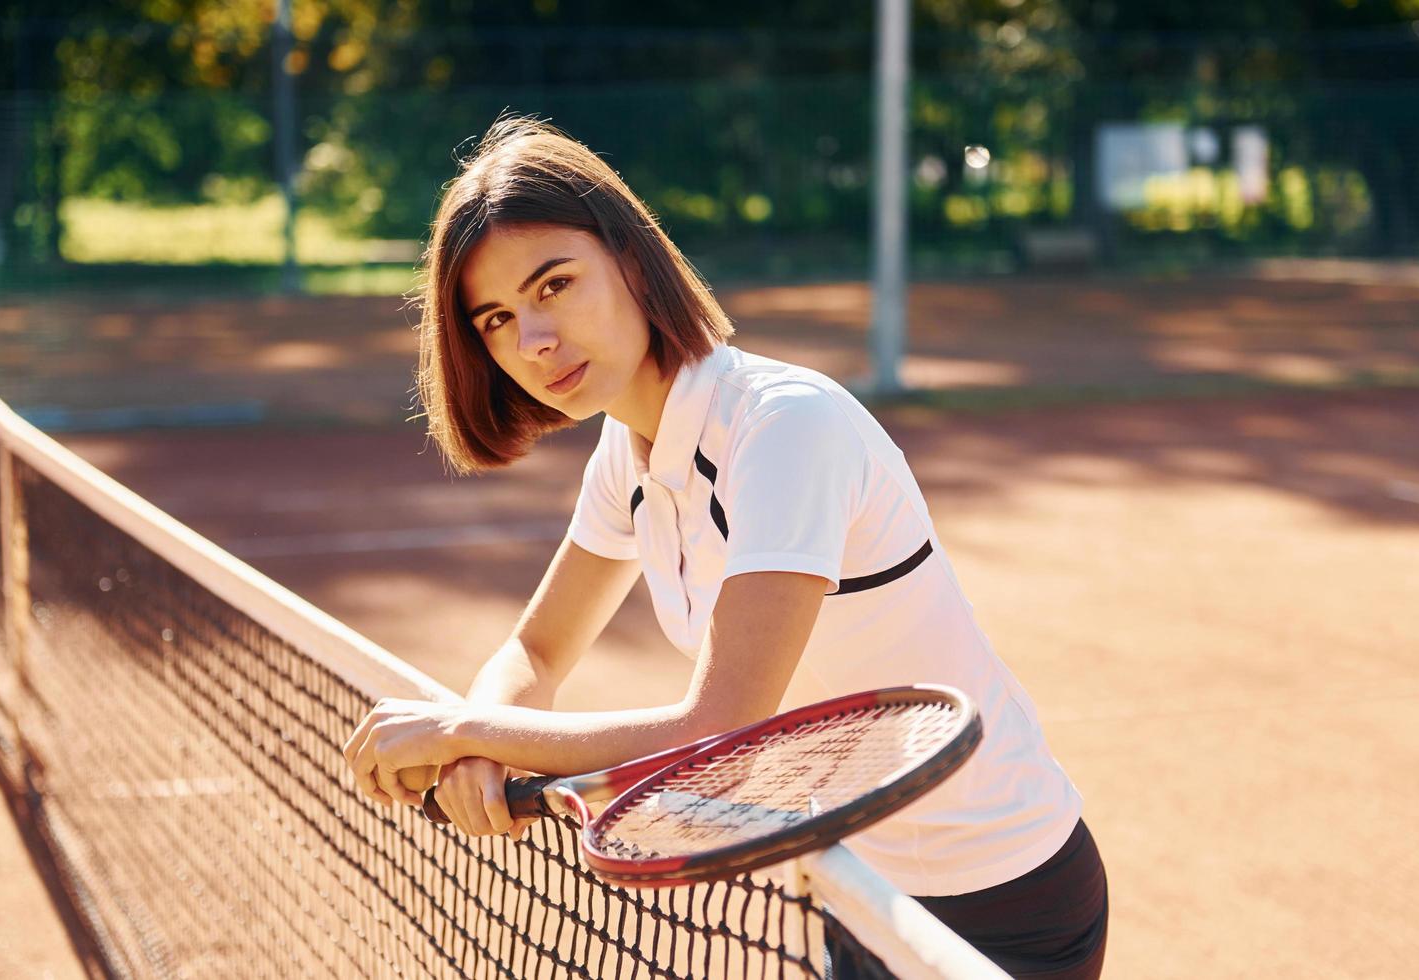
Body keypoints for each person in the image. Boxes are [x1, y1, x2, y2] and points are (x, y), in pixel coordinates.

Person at [342, 115, 1107, 978]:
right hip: (860, 882)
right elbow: (537, 647)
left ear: (631, 259)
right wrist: (480, 743)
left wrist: (468, 727)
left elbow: (724, 726)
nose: (533, 340)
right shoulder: (627, 453)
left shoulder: (785, 427)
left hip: (1002, 895)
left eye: (554, 285)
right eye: (495, 318)